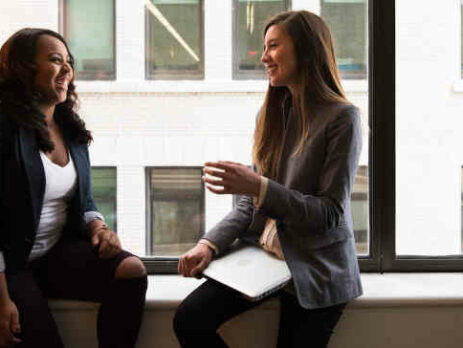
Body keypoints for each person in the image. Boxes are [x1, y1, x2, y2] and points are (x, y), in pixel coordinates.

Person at [174, 10, 362, 348]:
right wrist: (209, 244)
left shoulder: (342, 118)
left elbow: (329, 213)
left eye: (273, 46)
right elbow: (250, 204)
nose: (263, 57)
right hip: (267, 259)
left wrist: (259, 186)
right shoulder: (273, 111)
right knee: (189, 320)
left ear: (305, 50)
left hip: (317, 267)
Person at [0, 28, 147, 347]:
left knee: (132, 269)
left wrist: (98, 226)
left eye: (69, 61)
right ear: (23, 68)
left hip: (55, 254)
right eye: (56, 60)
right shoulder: (5, 128)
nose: (68, 69)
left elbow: (84, 200)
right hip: (11, 267)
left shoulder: (69, 128)